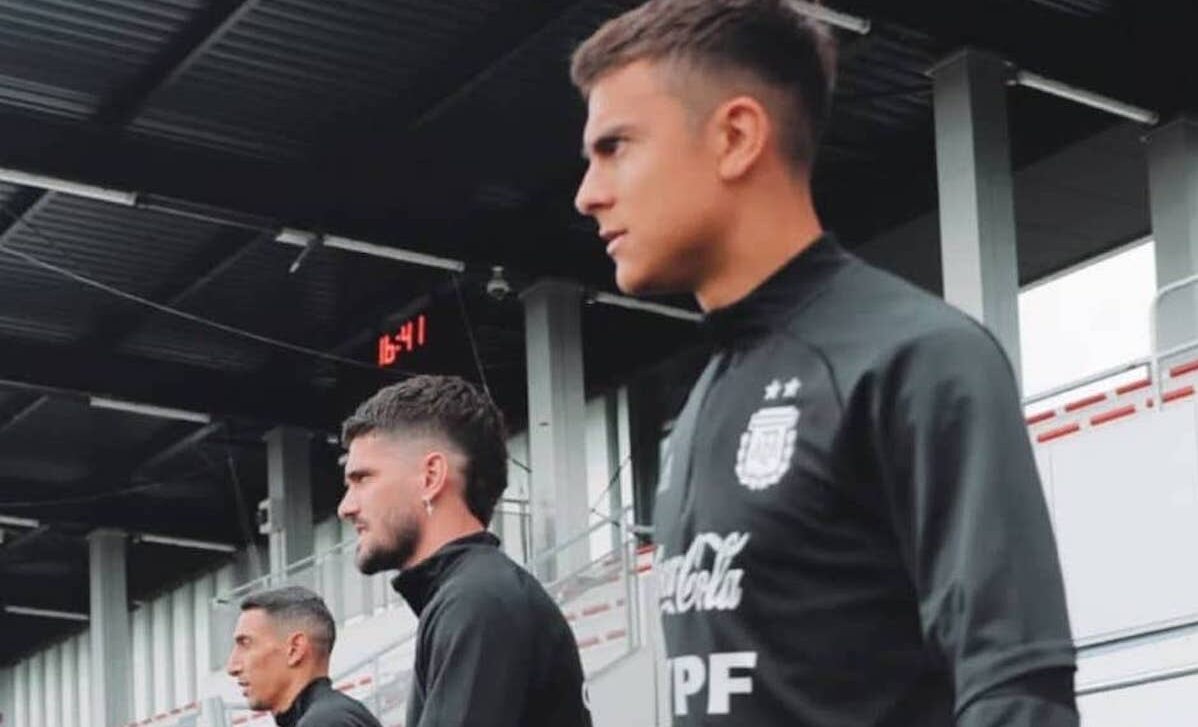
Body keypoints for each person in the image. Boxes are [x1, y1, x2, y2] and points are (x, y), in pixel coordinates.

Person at [570, 1, 1077, 725]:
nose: (588, 194)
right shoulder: (703, 403)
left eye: (615, 146)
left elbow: (1018, 693)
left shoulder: (918, 360)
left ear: (736, 137)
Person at [337, 375, 592, 727]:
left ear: (431, 477)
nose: (346, 507)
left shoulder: (477, 600)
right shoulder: (475, 594)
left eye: (363, 479)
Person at [226, 586, 380, 727]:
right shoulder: (339, 715)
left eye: (245, 643)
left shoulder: (325, 721)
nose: (232, 667)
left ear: (295, 649)